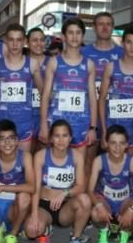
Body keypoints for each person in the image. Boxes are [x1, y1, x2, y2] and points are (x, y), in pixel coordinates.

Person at [26, 119, 93, 243]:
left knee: (85, 200)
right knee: (31, 231)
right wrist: (33, 215)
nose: (61, 140)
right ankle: (44, 229)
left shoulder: (77, 156)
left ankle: (75, 239)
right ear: (51, 138)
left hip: (64, 207)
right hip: (44, 206)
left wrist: (65, 193)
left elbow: (81, 186)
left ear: (70, 138)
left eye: (65, 136)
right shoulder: (40, 156)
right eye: (57, 136)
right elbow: (35, 188)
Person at [38, 18, 97, 172]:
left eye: (78, 33)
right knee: (55, 168)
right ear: (64, 36)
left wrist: (93, 127)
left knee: (78, 170)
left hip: (81, 125)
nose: (74, 37)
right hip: (57, 124)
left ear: (83, 36)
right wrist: (44, 125)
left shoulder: (89, 64)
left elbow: (92, 98)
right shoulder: (54, 62)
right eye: (70, 33)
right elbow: (45, 96)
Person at [88, 124, 133, 243]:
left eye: (121, 143)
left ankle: (125, 233)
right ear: (106, 143)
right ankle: (104, 231)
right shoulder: (99, 161)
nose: (117, 148)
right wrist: (99, 206)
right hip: (106, 200)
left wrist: (131, 209)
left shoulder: (132, 162)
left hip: (125, 201)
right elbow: (89, 190)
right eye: (113, 143)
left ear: (127, 145)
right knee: (94, 212)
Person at [0, 24, 43, 150]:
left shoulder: (33, 64)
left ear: (24, 41)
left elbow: (43, 93)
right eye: (11, 40)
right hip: (2, 121)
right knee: (3, 164)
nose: (15, 44)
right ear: (5, 41)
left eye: (19, 40)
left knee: (23, 162)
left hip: (25, 122)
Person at [98, 27, 133, 150]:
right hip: (113, 126)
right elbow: (101, 99)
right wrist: (104, 130)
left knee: (131, 166)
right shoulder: (111, 67)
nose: (132, 47)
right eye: (128, 42)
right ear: (123, 44)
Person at [82, 12, 123, 167]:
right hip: (90, 113)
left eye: (108, 24)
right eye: (101, 24)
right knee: (88, 162)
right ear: (94, 27)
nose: (105, 27)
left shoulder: (122, 53)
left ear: (112, 27)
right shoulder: (84, 52)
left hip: (115, 114)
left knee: (114, 162)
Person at [27, 27, 48, 148]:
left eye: (41, 40)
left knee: (43, 156)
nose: (39, 43)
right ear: (27, 42)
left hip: (45, 116)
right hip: (26, 116)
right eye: (35, 40)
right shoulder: (21, 62)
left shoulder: (53, 62)